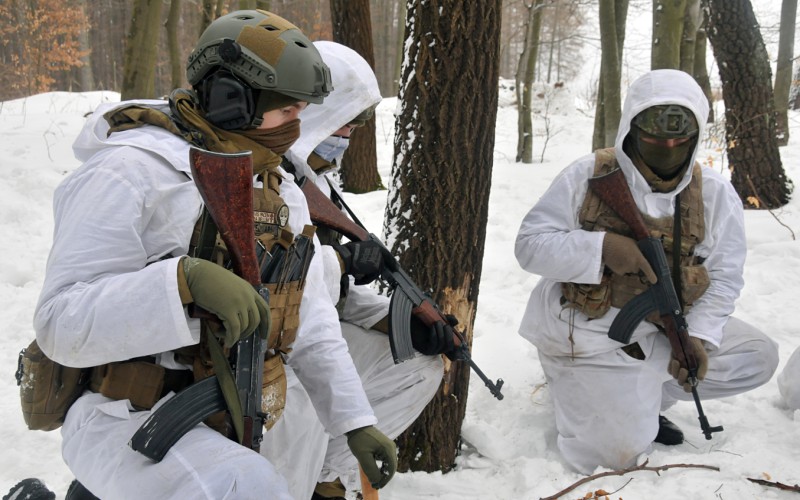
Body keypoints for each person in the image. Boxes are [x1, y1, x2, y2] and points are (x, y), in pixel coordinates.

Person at [30, 10, 395, 499]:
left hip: (233, 410)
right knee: (245, 487)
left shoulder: (277, 188)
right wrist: (180, 283)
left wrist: (353, 422)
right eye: (286, 108)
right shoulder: (127, 173)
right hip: (122, 415)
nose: (298, 122)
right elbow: (59, 322)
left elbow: (310, 323)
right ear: (231, 101)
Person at [514, 69, 779, 474]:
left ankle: (643, 399)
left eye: (681, 138)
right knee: (612, 460)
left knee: (757, 356)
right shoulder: (589, 176)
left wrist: (701, 338)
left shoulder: (714, 193)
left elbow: (725, 276)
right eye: (656, 137)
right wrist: (601, 248)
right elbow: (529, 247)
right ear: (632, 129)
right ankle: (588, 393)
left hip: (665, 326)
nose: (669, 146)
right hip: (587, 334)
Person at [261, 41, 447, 500]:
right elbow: (267, 279)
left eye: (358, 123)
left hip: (309, 332)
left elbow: (330, 297)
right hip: (263, 347)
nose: (348, 133)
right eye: (344, 118)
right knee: (297, 415)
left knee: (418, 368)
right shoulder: (263, 174)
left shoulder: (315, 180)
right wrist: (340, 260)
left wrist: (398, 319)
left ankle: (328, 477)